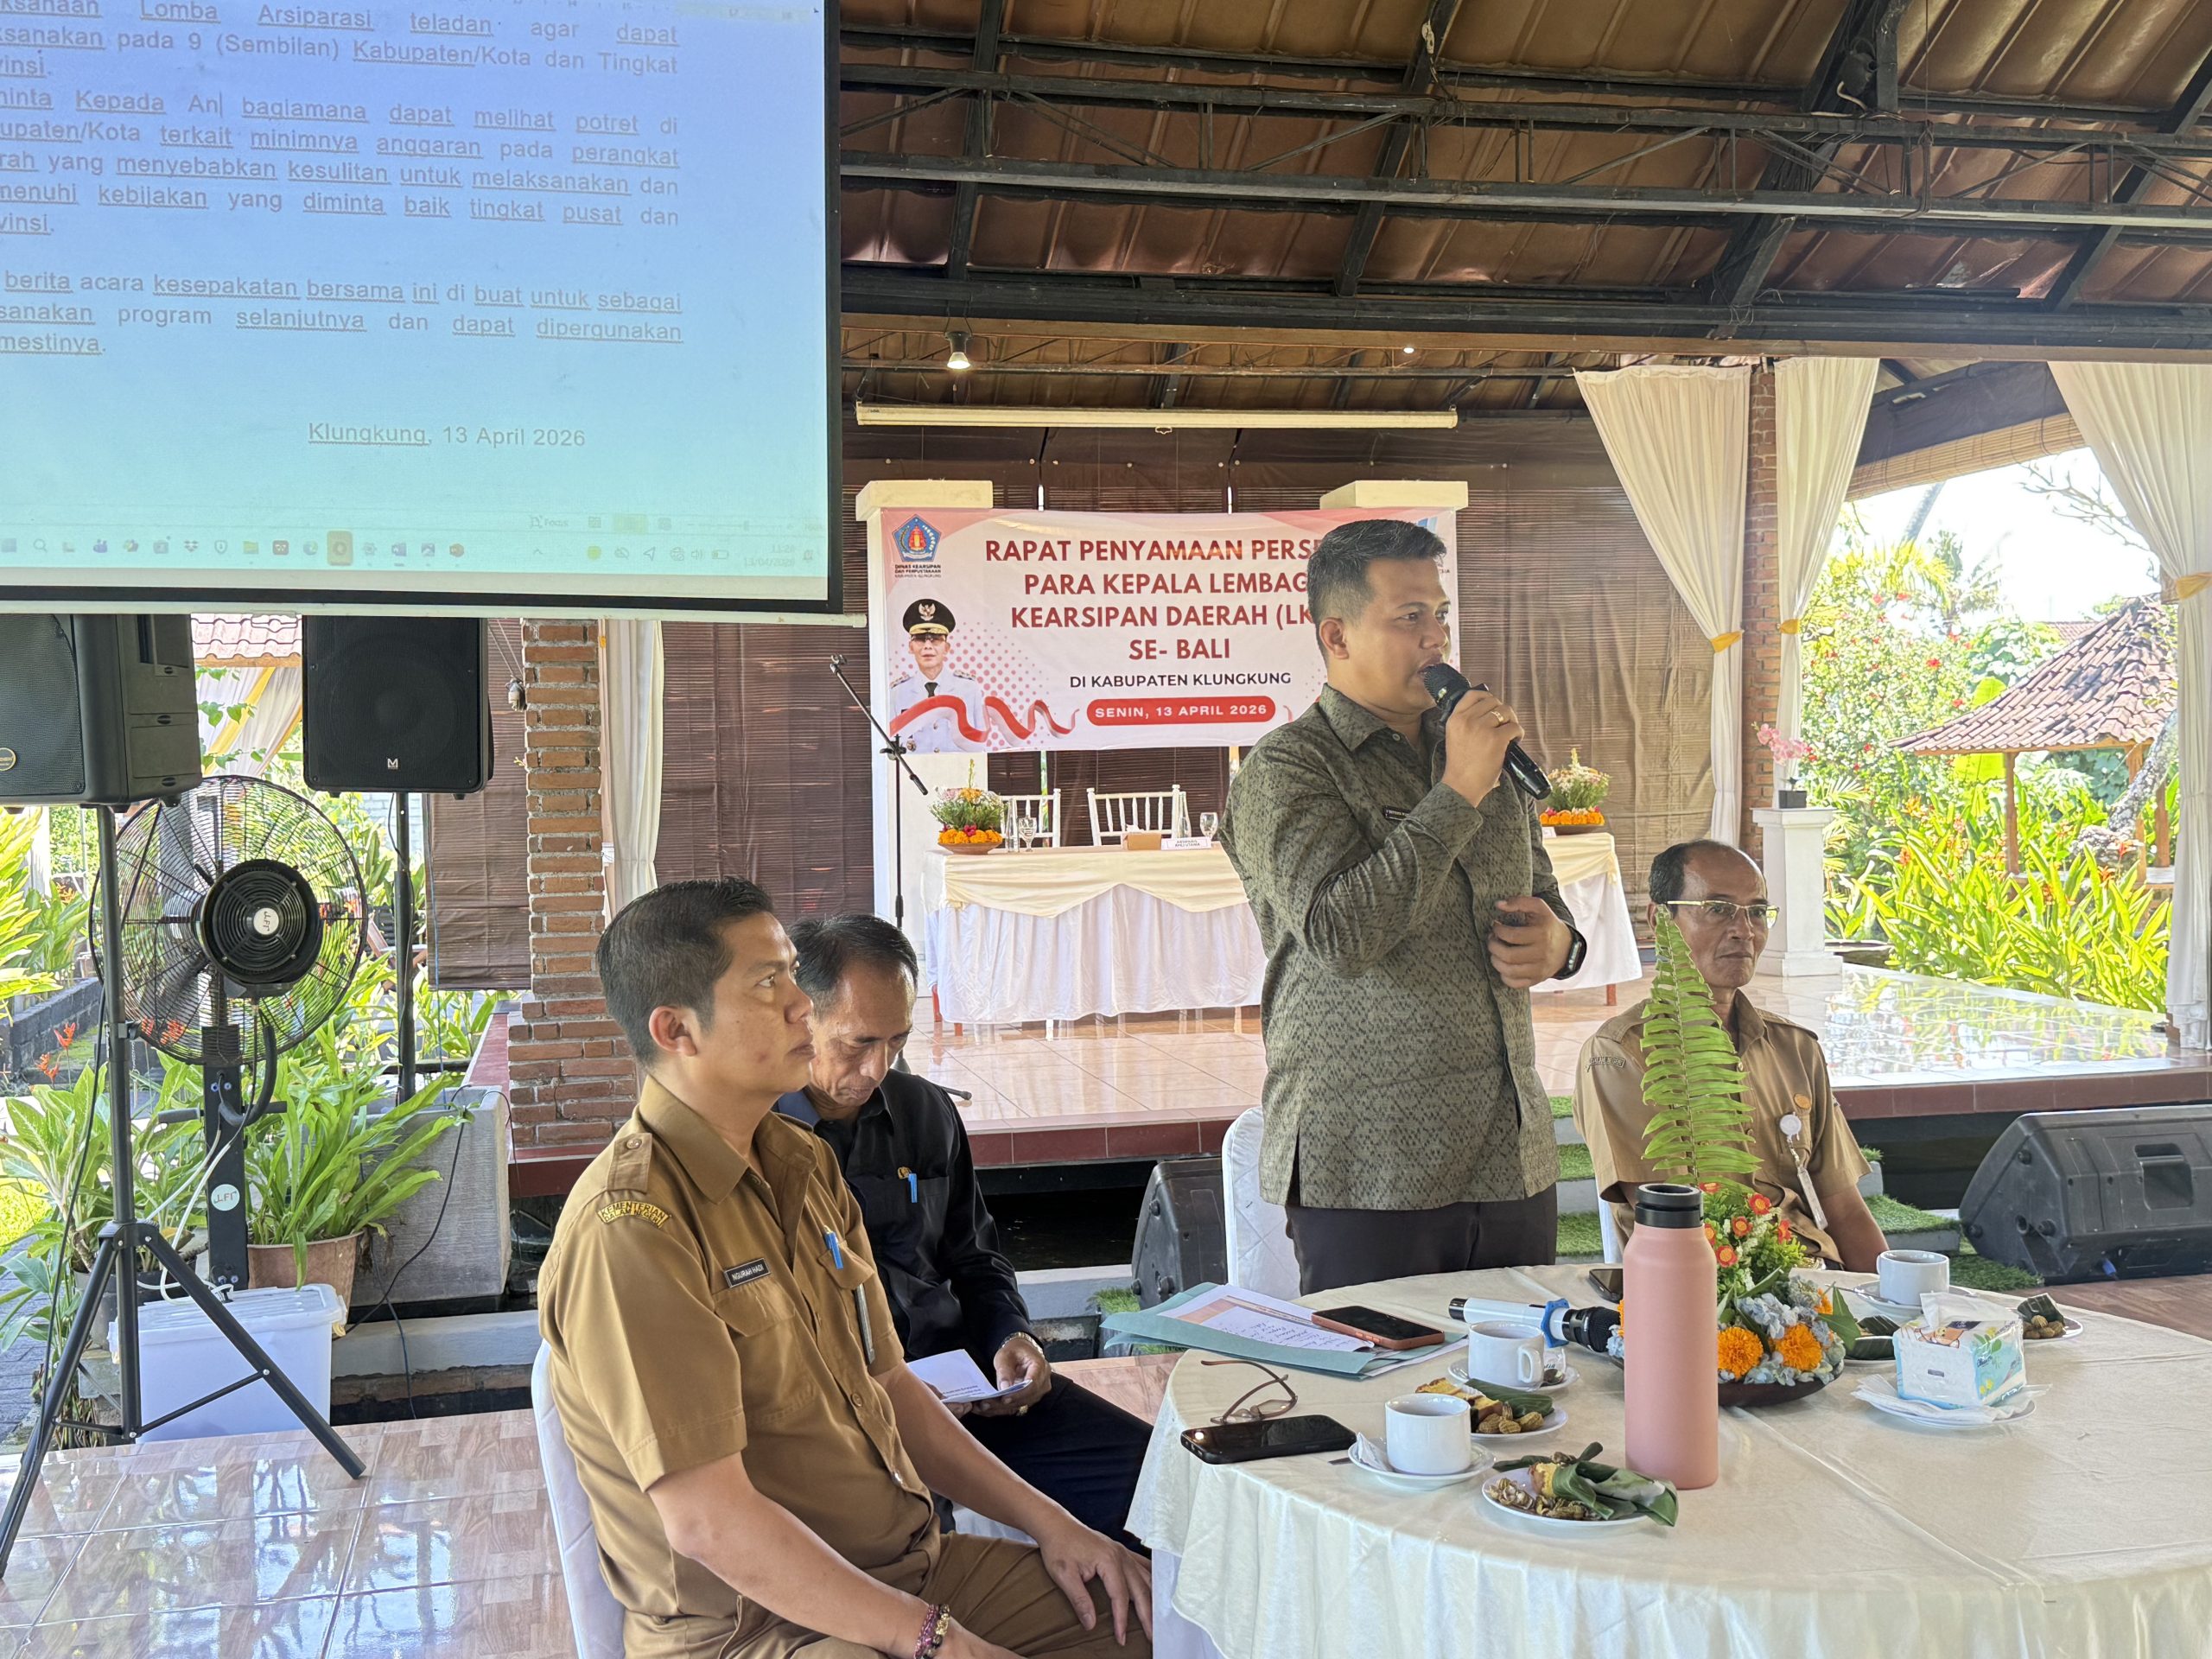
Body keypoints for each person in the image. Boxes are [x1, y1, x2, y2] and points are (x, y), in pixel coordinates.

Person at [538, 878, 1150, 1659]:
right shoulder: (632, 1231)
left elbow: (890, 1384)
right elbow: (708, 1522)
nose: (803, 1005)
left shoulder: (802, 1163)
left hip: (907, 1571)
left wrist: (1056, 1527)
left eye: (793, 976)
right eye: (769, 984)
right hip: (760, 1627)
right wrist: (933, 1639)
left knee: (1148, 1615)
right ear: (677, 1029)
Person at [1217, 518, 1585, 1295]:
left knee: (1519, 1369)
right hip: (1370, 1164)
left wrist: (1561, 945)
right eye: (1409, 617)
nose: (1435, 638)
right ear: (1337, 636)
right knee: (1384, 1373)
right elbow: (1341, 934)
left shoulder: (1478, 755)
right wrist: (1457, 792)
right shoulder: (1290, 767)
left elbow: (1544, 897)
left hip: (1509, 1153)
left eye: (1440, 614)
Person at [774, 914, 1153, 1548]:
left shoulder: (924, 1111)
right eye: (857, 1044)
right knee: (920, 1551)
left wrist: (1012, 1335)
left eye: (897, 1041)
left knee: (1164, 1487)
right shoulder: (758, 1142)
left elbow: (976, 1257)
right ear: (800, 1019)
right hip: (851, 1417)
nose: (878, 1067)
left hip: (971, 1389)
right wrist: (884, 1392)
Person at [1573, 839, 1891, 1272]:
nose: (1744, 930)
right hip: (1710, 1287)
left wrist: (1896, 1301)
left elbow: (1847, 1211)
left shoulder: (1795, 1049)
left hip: (1819, 1279)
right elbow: (1671, 1223)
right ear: (1660, 920)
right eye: (1719, 909)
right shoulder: (1621, 1054)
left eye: (1757, 912)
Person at [890, 599, 988, 753]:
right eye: (920, 639)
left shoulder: (968, 689)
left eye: (935, 639)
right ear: (911, 647)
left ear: (947, 648)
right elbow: (892, 745)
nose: (928, 646)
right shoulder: (898, 693)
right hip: (913, 769)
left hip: (958, 768)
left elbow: (980, 744)